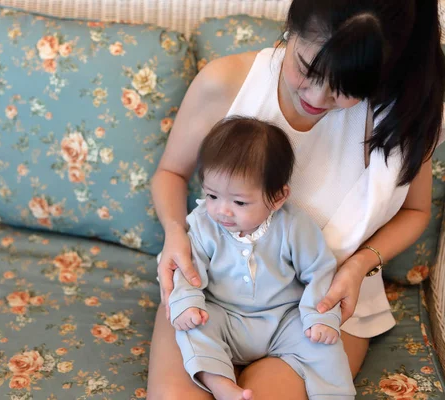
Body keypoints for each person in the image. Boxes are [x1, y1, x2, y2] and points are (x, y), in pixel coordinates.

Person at [147, 0, 445, 398]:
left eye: (345, 89)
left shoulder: (401, 117)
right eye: (307, 70)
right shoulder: (225, 83)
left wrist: (357, 267)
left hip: (319, 303)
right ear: (292, 28)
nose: (318, 97)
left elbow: (415, 211)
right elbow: (170, 173)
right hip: (213, 294)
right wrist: (174, 233)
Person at [169, 116, 355, 400]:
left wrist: (321, 318)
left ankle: (334, 396)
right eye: (212, 195)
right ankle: (221, 384)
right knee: (192, 328)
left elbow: (320, 272)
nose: (222, 211)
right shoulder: (203, 224)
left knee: (324, 345)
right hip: (224, 316)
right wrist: (187, 304)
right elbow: (187, 270)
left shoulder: (294, 227)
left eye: (239, 202)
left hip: (283, 320)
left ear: (278, 198)